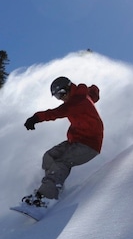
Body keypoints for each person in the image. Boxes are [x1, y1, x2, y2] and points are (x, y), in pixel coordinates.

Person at [21, 76, 103, 208]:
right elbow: (92, 93)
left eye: (61, 94)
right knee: (49, 156)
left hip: (89, 145)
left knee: (61, 163)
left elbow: (56, 113)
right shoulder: (80, 95)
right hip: (76, 141)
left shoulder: (77, 101)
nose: (61, 98)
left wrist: (36, 118)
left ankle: (45, 199)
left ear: (69, 88)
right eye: (58, 97)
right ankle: (51, 187)